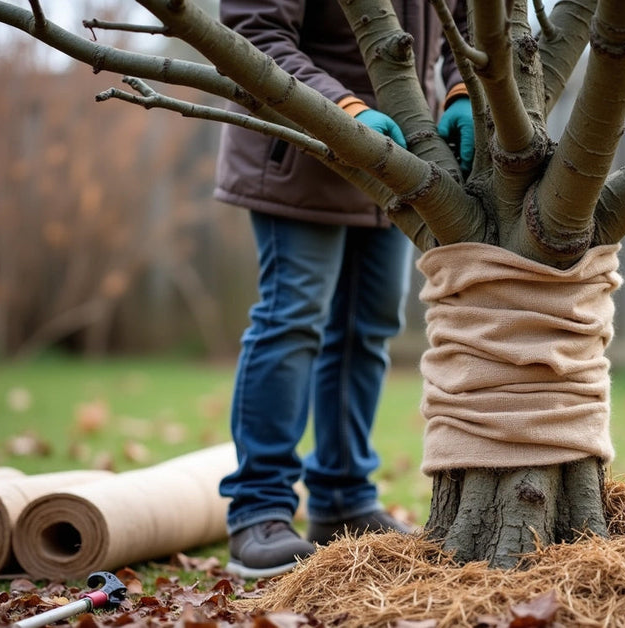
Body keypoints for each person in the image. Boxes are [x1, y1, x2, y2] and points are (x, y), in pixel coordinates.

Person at [214, 0, 473, 579]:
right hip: (301, 144)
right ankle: (259, 510)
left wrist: (462, 92)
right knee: (293, 317)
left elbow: (472, 21)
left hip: (394, 158)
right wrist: (342, 108)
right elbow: (254, 31)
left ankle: (342, 500)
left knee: (370, 325)